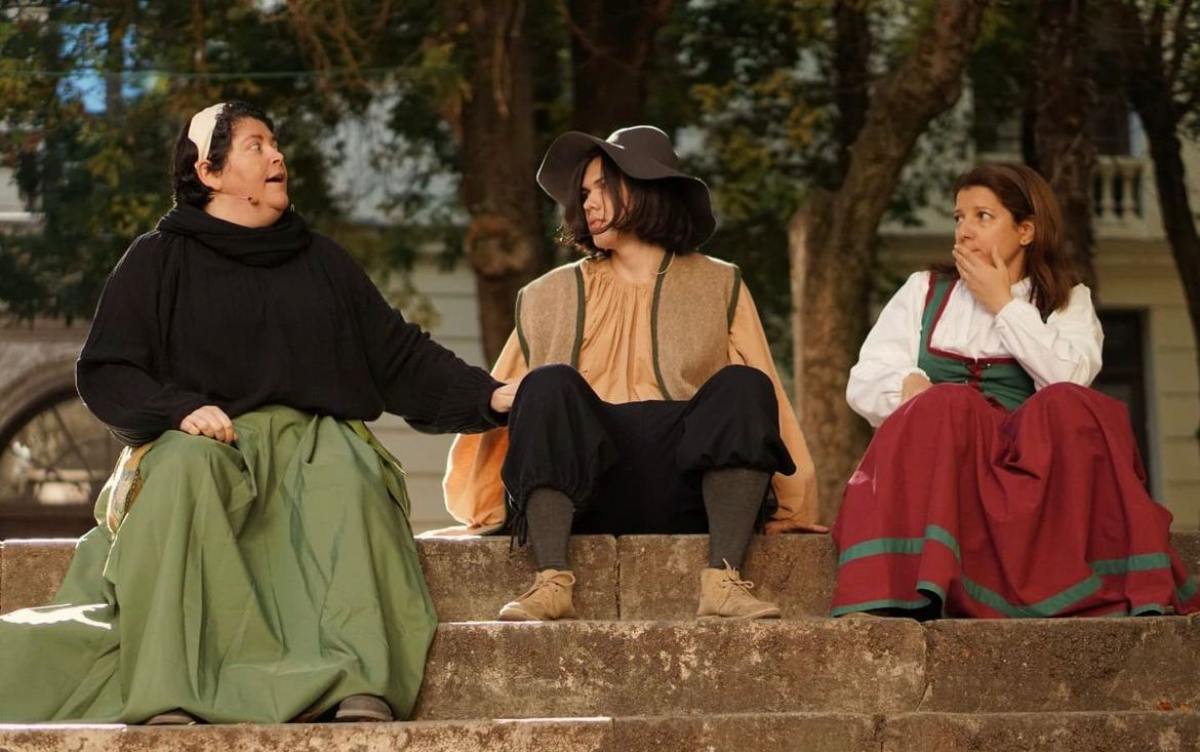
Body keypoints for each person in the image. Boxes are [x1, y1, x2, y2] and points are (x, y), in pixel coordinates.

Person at [0, 101, 515, 724]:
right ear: (209, 172)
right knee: (185, 470)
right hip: (205, 445)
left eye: (275, 143)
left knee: (346, 468)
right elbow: (108, 370)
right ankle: (170, 687)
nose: (277, 155)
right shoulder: (157, 259)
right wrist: (179, 410)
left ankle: (356, 679)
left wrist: (488, 396)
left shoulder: (323, 262)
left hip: (311, 447)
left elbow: (399, 356)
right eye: (256, 145)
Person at [443, 125, 824, 622]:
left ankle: (723, 581)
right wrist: (482, 508)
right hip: (584, 490)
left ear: (648, 189)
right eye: (583, 192)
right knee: (547, 382)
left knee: (745, 384)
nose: (588, 202)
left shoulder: (719, 282)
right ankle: (551, 580)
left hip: (688, 488)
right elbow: (515, 398)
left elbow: (766, 392)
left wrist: (793, 508)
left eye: (603, 186)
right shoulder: (546, 295)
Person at [831, 162, 1199, 619]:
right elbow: (866, 378)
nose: (965, 230)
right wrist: (907, 384)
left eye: (982, 217)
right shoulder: (923, 290)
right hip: (947, 468)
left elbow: (1068, 381)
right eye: (959, 217)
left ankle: (1058, 579)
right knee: (948, 401)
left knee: (1070, 403)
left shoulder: (1067, 300)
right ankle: (925, 574)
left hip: (1032, 475)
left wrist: (1003, 304)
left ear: (1025, 231)